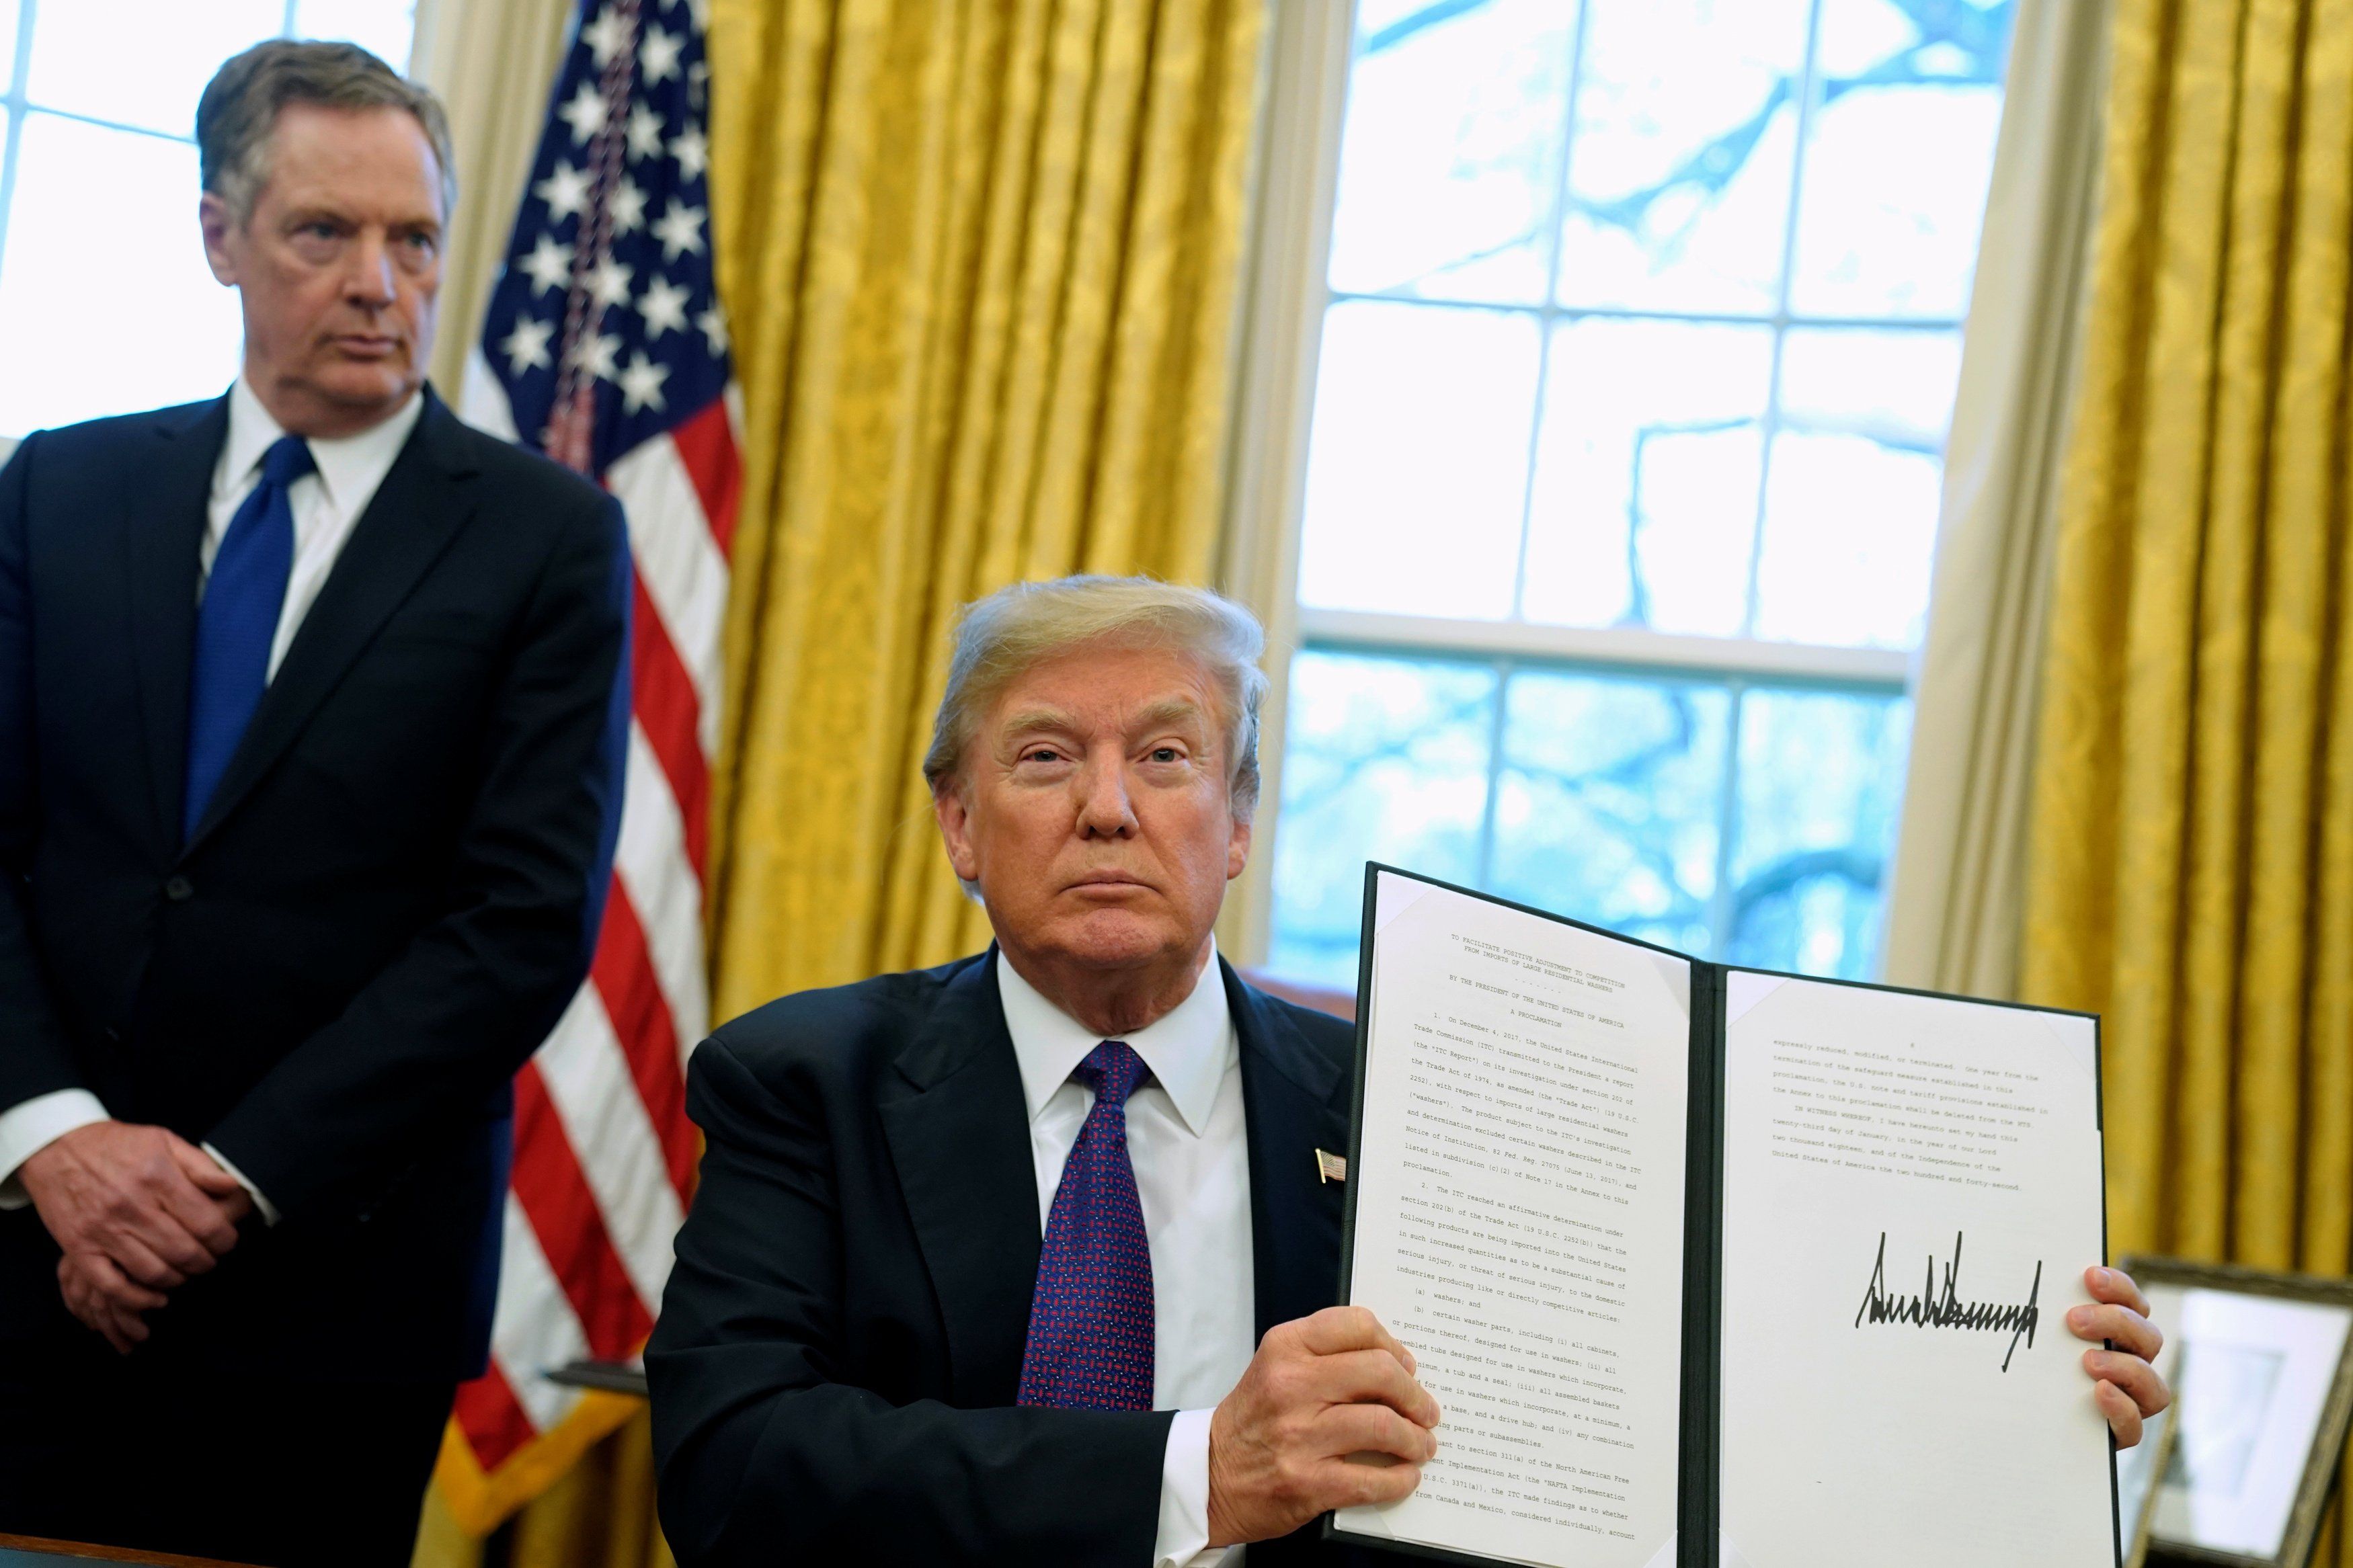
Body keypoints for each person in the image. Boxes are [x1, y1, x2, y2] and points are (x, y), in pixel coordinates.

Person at [646, 576, 2169, 1566]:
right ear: (961, 828)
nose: (1108, 808)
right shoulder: (804, 1083)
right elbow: (731, 1469)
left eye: (1167, 760)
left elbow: (1677, 1433)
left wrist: (2004, 1401)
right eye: (1045, 758)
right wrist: (1196, 1474)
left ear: (1237, 825)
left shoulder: (1419, 1102)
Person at [0, 40, 630, 1568]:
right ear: (219, 237)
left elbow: (521, 926)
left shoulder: (549, 540)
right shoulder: (58, 488)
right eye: (322, 233)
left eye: (412, 238)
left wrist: (221, 1181)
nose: (377, 281)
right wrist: (56, 1136)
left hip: (333, 1294)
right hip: (27, 1250)